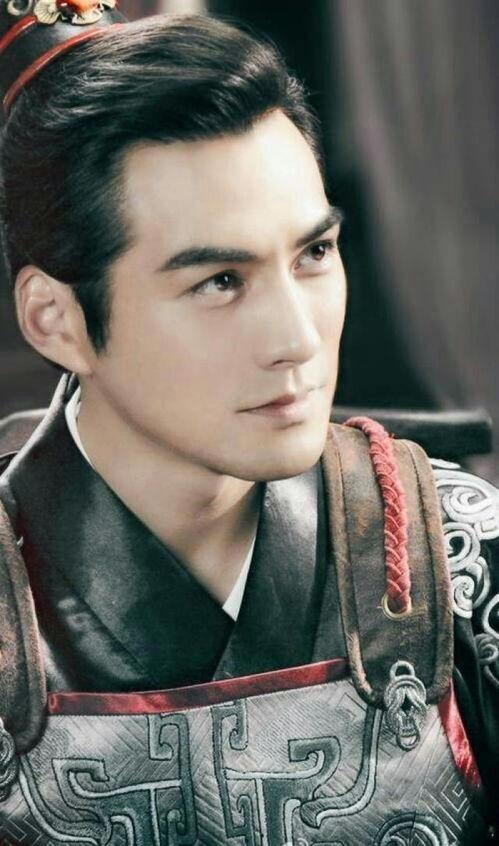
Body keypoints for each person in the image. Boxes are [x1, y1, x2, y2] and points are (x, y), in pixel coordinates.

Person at [0, 3, 497, 844]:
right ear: (57, 320)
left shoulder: (464, 555)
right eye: (220, 282)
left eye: (313, 254)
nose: (296, 340)